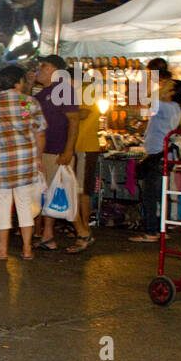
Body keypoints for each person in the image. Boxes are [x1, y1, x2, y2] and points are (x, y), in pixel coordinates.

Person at [0, 64, 46, 261]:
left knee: (2, 207)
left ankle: (2, 250)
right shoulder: (27, 103)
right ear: (19, 82)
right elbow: (38, 132)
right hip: (24, 163)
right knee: (24, 205)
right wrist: (38, 158)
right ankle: (27, 249)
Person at [32, 54, 81, 251]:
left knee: (62, 194)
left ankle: (84, 233)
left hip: (59, 151)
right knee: (49, 195)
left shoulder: (63, 90)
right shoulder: (42, 93)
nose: (39, 69)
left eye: (44, 66)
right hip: (45, 151)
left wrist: (68, 150)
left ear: (55, 70)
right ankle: (47, 235)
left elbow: (74, 121)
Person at [129, 78, 181, 243]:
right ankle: (162, 229)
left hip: (157, 154)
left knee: (150, 195)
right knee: (162, 194)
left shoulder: (165, 106)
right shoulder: (175, 108)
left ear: (172, 92)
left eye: (166, 87)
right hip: (164, 154)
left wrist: (164, 89)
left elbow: (148, 98)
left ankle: (151, 231)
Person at [66, 72, 102, 253]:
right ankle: (81, 229)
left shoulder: (87, 91)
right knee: (77, 190)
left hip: (85, 147)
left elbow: (83, 113)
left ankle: (85, 231)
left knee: (83, 191)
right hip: (77, 148)